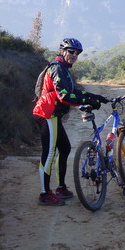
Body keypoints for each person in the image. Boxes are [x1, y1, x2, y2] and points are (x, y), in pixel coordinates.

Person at [32, 37, 108, 206]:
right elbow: (65, 96)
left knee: (65, 148)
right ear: (62, 51)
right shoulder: (58, 68)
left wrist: (92, 97)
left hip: (53, 114)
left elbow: (73, 91)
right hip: (46, 114)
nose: (74, 55)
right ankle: (45, 194)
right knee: (49, 153)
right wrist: (86, 101)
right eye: (71, 51)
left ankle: (60, 187)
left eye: (77, 53)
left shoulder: (63, 68)